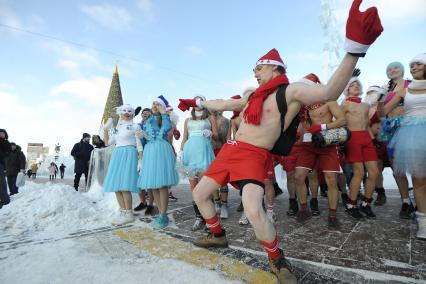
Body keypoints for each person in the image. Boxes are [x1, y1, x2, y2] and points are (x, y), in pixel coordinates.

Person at [178, 1, 383, 281]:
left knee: (253, 209)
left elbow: (331, 90)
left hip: (254, 155)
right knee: (200, 194)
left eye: (258, 68)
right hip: (231, 150)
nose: (254, 72)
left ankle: (277, 260)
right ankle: (217, 234)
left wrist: (354, 50)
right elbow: (226, 101)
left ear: (274, 68)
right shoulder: (253, 96)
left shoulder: (292, 91)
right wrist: (199, 101)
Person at [294, 73, 346, 228]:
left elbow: (343, 119)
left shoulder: (328, 100)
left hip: (327, 141)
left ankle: (332, 215)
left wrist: (322, 127)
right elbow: (302, 126)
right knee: (299, 176)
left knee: (331, 179)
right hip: (308, 144)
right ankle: (304, 209)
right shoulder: (301, 106)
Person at [388, 53, 426, 240]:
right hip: (412, 135)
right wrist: (380, 99)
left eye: (418, 64)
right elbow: (383, 111)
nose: (414, 67)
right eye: (412, 65)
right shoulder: (405, 90)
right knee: (419, 180)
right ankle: (423, 223)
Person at [377, 62, 414, 218]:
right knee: (397, 168)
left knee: (417, 166)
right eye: (389, 69)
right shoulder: (386, 89)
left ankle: (420, 200)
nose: (392, 70)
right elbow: (381, 113)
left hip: (411, 129)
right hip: (390, 131)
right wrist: (381, 97)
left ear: (402, 70)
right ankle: (406, 202)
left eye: (395, 68)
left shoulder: (411, 84)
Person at [138, 97, 179, 229]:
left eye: (157, 104)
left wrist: (163, 113)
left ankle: (163, 214)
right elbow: (148, 138)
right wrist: (142, 135)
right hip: (150, 151)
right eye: (153, 103)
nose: (154, 105)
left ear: (161, 106)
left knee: (161, 185)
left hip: (161, 149)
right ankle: (162, 214)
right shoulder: (148, 120)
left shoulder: (164, 117)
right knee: (153, 185)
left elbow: (167, 128)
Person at [342, 77, 379, 219]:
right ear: (347, 89)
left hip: (366, 138)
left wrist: (373, 139)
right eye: (352, 84)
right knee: (359, 173)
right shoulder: (344, 104)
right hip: (353, 138)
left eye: (358, 84)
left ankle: (366, 203)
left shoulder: (365, 105)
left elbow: (367, 124)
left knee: (374, 172)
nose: (356, 85)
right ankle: (351, 205)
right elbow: (339, 122)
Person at [179, 95, 217, 231]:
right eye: (194, 100)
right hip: (190, 152)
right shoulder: (188, 120)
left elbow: (217, 135)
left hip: (204, 153)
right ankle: (198, 217)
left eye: (199, 100)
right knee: (194, 188)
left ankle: (209, 219)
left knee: (205, 188)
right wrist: (181, 152)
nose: (196, 102)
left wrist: (210, 134)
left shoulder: (210, 118)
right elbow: (184, 137)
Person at [103, 104, 143, 226]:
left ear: (132, 113)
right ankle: (123, 211)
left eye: (129, 111)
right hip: (118, 154)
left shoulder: (135, 126)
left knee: (125, 186)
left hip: (129, 153)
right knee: (117, 187)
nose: (126, 113)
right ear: (120, 113)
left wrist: (140, 159)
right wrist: (105, 129)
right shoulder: (118, 128)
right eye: (124, 111)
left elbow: (139, 143)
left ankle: (129, 213)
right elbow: (107, 143)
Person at [134, 107, 156, 215]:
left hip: (149, 154)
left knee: (149, 181)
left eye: (147, 112)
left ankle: (151, 204)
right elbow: (137, 141)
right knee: (139, 181)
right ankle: (143, 202)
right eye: (143, 113)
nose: (145, 114)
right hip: (138, 154)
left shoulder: (152, 125)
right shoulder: (138, 126)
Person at [211, 110, 231, 219]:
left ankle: (224, 205)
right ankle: (216, 202)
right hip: (209, 151)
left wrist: (229, 152)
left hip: (222, 151)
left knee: (223, 180)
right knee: (211, 179)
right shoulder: (207, 120)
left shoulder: (227, 121)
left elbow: (228, 138)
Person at [0, 129, 11, 208]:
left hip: (1, 164)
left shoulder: (6, 142)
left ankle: (5, 200)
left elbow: (8, 154)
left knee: (1, 182)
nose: (0, 134)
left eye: (2, 133)